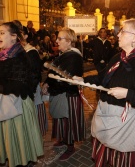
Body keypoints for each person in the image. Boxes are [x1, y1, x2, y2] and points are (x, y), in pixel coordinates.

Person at [73, 18, 135, 167]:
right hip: (106, 117)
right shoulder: (117, 57)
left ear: (134, 37)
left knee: (121, 162)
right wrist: (83, 80)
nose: (118, 35)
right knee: (105, 157)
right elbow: (102, 77)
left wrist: (128, 94)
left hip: (126, 124)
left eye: (122, 31)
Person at [0, 22, 44, 167]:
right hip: (6, 103)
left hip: (17, 104)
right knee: (7, 138)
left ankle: (21, 161)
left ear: (13, 37)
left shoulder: (19, 56)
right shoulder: (3, 55)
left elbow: (18, 84)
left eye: (1, 33)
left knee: (18, 139)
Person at [42, 27, 86, 161]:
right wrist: (46, 83)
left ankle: (70, 147)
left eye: (60, 38)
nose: (57, 41)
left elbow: (66, 80)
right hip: (59, 92)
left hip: (68, 94)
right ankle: (62, 140)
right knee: (59, 119)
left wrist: (50, 86)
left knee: (68, 120)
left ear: (69, 41)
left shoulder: (74, 57)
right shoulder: (63, 55)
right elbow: (54, 72)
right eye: (57, 38)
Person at [21, 24, 48, 136]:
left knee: (35, 118)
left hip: (30, 92)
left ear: (26, 36)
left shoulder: (31, 52)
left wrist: (28, 92)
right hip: (21, 93)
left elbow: (35, 74)